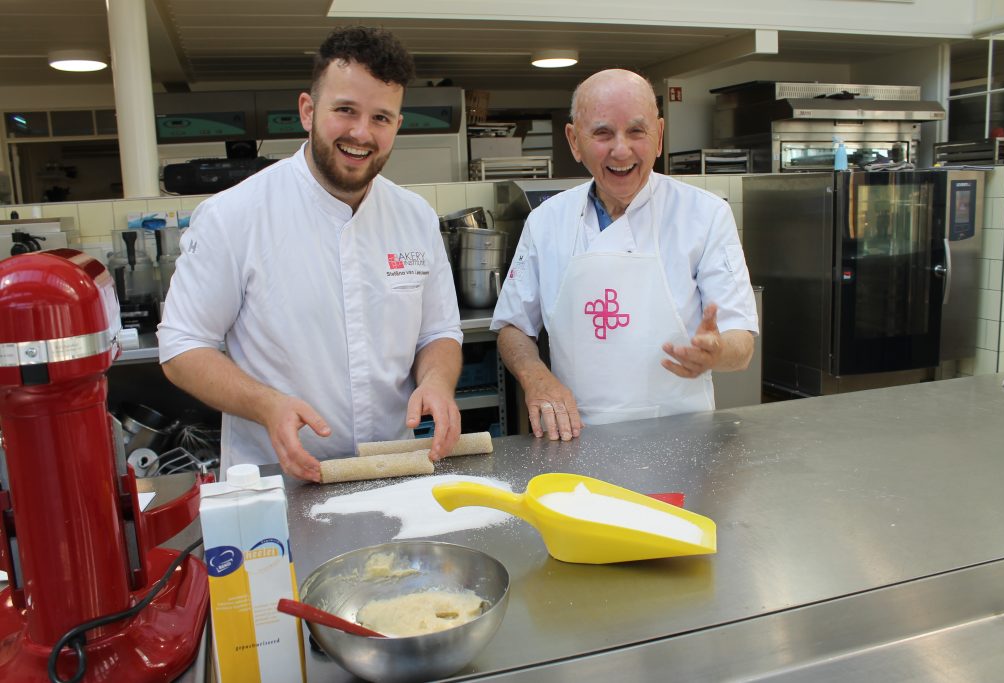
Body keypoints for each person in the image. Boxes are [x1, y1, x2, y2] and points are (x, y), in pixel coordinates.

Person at [158, 26, 463, 481]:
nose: (361, 133)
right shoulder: (233, 215)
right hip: (282, 480)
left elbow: (438, 330)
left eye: (381, 118)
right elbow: (182, 345)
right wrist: (266, 405)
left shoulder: (415, 216)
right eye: (345, 110)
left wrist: (437, 381)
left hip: (395, 471)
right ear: (308, 110)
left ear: (397, 125)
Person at [491, 69, 758, 440]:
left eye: (637, 131)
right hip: (575, 437)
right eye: (602, 133)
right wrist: (537, 378)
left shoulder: (705, 215)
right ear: (574, 140)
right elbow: (512, 326)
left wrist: (716, 353)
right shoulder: (545, 222)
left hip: (681, 436)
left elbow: (741, 344)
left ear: (659, 136)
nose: (621, 150)